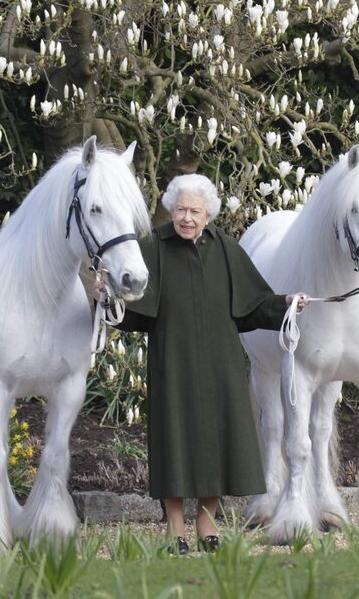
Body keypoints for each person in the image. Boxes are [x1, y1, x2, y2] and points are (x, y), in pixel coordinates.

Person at [95, 174, 308, 554]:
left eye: (194, 211)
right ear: (170, 211)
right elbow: (132, 310)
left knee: (217, 442)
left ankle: (206, 520)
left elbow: (254, 305)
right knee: (173, 441)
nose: (187, 218)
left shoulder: (226, 249)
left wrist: (288, 302)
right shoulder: (154, 248)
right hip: (171, 362)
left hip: (220, 363)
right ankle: (175, 525)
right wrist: (106, 298)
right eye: (180, 210)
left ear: (208, 213)